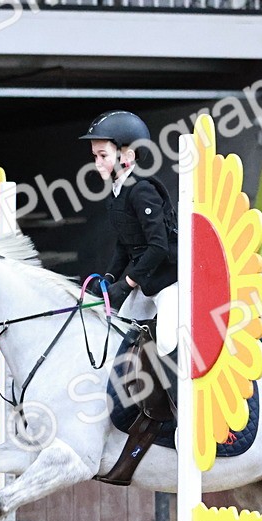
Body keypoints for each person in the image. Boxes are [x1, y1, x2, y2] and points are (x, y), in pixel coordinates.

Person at [80, 110, 179, 485]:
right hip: (147, 284)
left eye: (102, 155)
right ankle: (134, 413)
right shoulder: (117, 194)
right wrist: (108, 279)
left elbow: (156, 247)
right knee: (116, 333)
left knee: (167, 341)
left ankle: (186, 419)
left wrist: (129, 283)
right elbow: (126, 246)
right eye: (95, 156)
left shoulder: (142, 190)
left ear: (127, 156)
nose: (97, 162)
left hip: (170, 283)